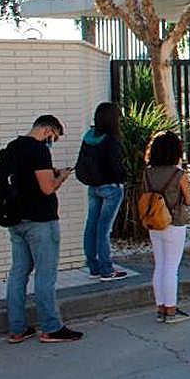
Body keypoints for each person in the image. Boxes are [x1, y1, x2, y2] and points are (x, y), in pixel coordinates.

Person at [3, 115, 82, 344]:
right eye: (54, 137)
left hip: (16, 220)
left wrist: (50, 172)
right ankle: (51, 327)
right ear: (48, 130)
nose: (52, 141)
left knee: (18, 273)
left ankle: (17, 329)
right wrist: (62, 177)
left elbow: (26, 179)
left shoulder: (13, 147)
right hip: (40, 220)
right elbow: (47, 188)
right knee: (45, 275)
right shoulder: (38, 151)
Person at [143, 130, 190, 323]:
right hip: (174, 221)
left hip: (154, 221)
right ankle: (172, 310)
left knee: (160, 265)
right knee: (172, 267)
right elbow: (188, 199)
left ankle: (161, 308)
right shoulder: (179, 174)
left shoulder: (147, 173)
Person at [76, 102, 128, 281]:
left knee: (91, 227)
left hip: (93, 187)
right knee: (104, 229)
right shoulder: (112, 139)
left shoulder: (89, 136)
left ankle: (94, 268)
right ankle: (107, 269)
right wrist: (124, 177)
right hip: (111, 188)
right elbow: (116, 166)